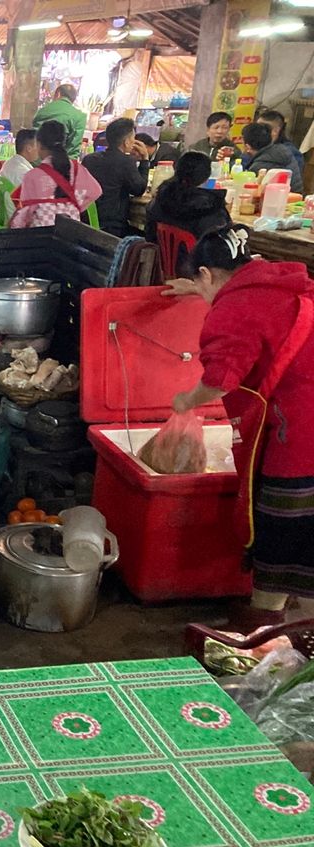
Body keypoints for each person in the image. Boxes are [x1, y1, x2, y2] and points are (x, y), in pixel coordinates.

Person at [165, 226, 314, 630]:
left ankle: (266, 622)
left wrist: (186, 401)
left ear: (208, 273)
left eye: (200, 280)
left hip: (298, 434)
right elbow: (257, 312)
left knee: (284, 525)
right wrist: (196, 289)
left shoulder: (234, 311)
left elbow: (222, 377)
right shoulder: (286, 284)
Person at [9, 120, 102, 229]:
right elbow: (96, 191)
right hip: (70, 232)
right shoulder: (77, 169)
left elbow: (26, 211)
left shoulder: (32, 175)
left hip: (40, 236)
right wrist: (74, 206)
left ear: (39, 145)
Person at [144, 151, 231, 245]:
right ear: (207, 176)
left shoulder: (161, 198)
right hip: (197, 258)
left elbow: (150, 234)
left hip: (164, 256)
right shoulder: (212, 207)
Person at [82, 117, 149, 237]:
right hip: (112, 226)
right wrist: (145, 160)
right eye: (133, 138)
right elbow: (139, 190)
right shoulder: (125, 162)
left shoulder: (89, 159)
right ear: (127, 142)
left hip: (87, 221)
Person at [243, 122, 304, 193]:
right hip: (297, 198)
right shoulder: (284, 150)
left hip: (276, 201)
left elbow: (253, 193)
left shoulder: (258, 167)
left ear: (248, 147)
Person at [32, 84, 88, 158]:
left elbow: (33, 137)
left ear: (58, 94)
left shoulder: (42, 111)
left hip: (37, 163)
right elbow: (73, 151)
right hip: (62, 165)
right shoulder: (80, 116)